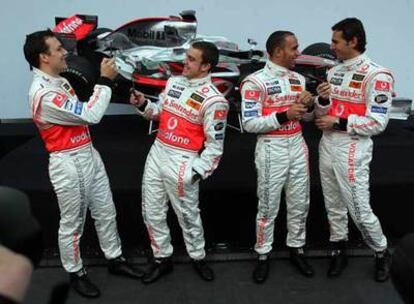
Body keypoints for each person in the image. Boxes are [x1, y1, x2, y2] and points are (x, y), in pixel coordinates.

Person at [23, 29, 144, 298]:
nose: (65, 52)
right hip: (68, 162)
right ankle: (76, 273)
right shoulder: (43, 94)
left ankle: (115, 260)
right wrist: (105, 81)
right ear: (43, 57)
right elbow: (91, 114)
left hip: (88, 153)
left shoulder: (59, 81)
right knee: (73, 224)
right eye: (57, 49)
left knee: (106, 211)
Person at [130, 41, 228, 284]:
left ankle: (198, 257)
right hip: (158, 151)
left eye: (192, 59)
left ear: (206, 66)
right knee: (151, 212)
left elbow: (215, 146)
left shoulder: (215, 100)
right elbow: (158, 114)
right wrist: (143, 104)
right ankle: (162, 258)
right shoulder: (173, 82)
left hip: (183, 159)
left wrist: (196, 173)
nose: (185, 62)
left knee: (187, 215)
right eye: (187, 57)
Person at [240, 31, 326, 283]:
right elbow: (250, 123)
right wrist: (285, 114)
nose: (298, 53)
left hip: (297, 144)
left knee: (301, 203)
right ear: (277, 51)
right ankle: (263, 254)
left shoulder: (299, 79)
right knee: (268, 206)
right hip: (271, 147)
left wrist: (314, 103)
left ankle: (296, 249)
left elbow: (309, 117)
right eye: (294, 48)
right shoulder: (255, 82)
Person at [314, 18, 394, 282]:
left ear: (353, 41)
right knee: (333, 204)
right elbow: (323, 112)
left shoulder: (377, 75)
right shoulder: (334, 72)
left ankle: (381, 251)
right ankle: (339, 247)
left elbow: (378, 122)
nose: (332, 46)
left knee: (358, 208)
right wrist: (323, 100)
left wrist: (339, 121)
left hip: (353, 146)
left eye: (336, 41)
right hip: (327, 143)